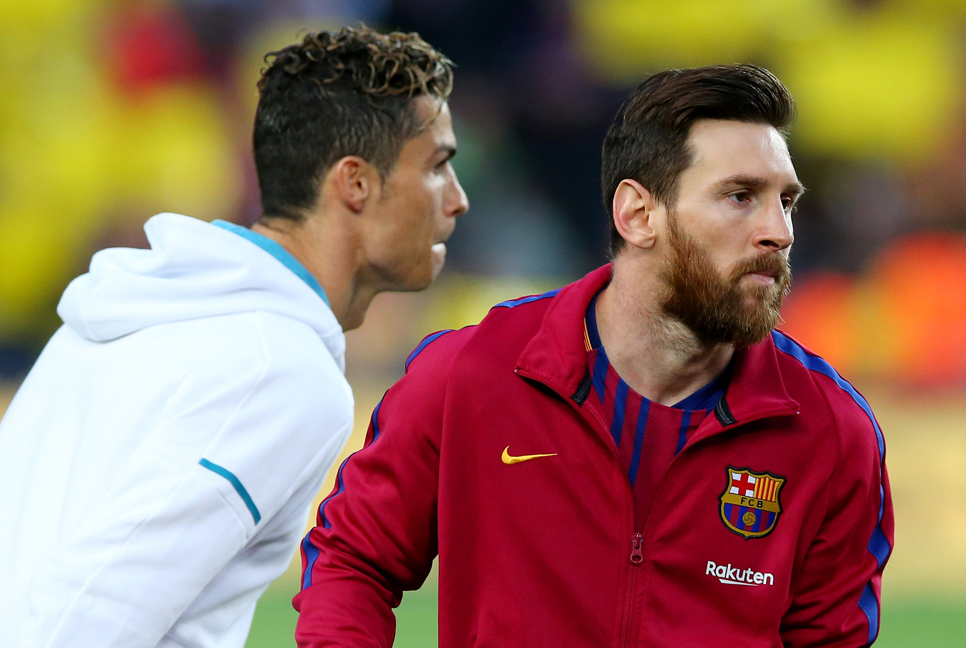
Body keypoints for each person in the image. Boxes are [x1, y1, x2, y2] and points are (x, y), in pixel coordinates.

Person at [294, 64, 893, 647]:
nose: (780, 232)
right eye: (740, 196)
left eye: (785, 202)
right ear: (638, 215)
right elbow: (354, 561)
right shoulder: (472, 374)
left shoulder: (833, 432)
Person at [0, 25, 467, 648]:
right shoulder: (280, 373)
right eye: (437, 166)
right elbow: (89, 616)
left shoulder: (131, 309)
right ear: (354, 182)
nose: (457, 200)